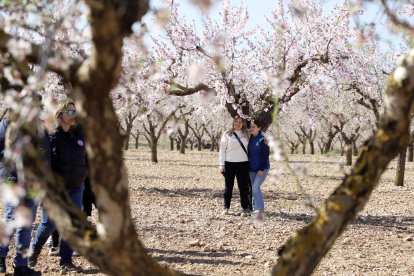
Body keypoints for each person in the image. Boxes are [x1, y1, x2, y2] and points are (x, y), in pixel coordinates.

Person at [29, 99, 88, 272]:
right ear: (60, 114)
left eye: (75, 111)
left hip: (76, 186)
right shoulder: (50, 135)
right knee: (50, 224)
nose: (74, 115)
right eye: (70, 112)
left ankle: (66, 260)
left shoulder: (80, 133)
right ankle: (35, 249)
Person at [0, 105, 50, 276]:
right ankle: (0, 258)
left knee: (26, 224)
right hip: (13, 179)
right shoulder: (7, 124)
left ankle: (21, 266)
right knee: (11, 219)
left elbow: (46, 153)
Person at [219, 116, 251, 216]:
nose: (237, 124)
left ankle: (245, 208)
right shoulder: (227, 133)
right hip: (229, 163)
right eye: (236, 122)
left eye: (240, 122)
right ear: (233, 123)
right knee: (228, 187)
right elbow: (222, 149)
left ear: (243, 123)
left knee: (243, 187)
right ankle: (226, 208)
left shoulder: (247, 133)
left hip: (243, 164)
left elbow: (260, 135)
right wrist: (221, 164)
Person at [248, 118, 270, 220]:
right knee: (254, 188)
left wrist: (261, 169)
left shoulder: (263, 139)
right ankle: (254, 207)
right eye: (251, 127)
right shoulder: (249, 138)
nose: (252, 128)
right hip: (251, 168)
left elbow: (265, 155)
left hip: (262, 168)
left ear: (259, 128)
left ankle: (260, 208)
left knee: (256, 187)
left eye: (254, 127)